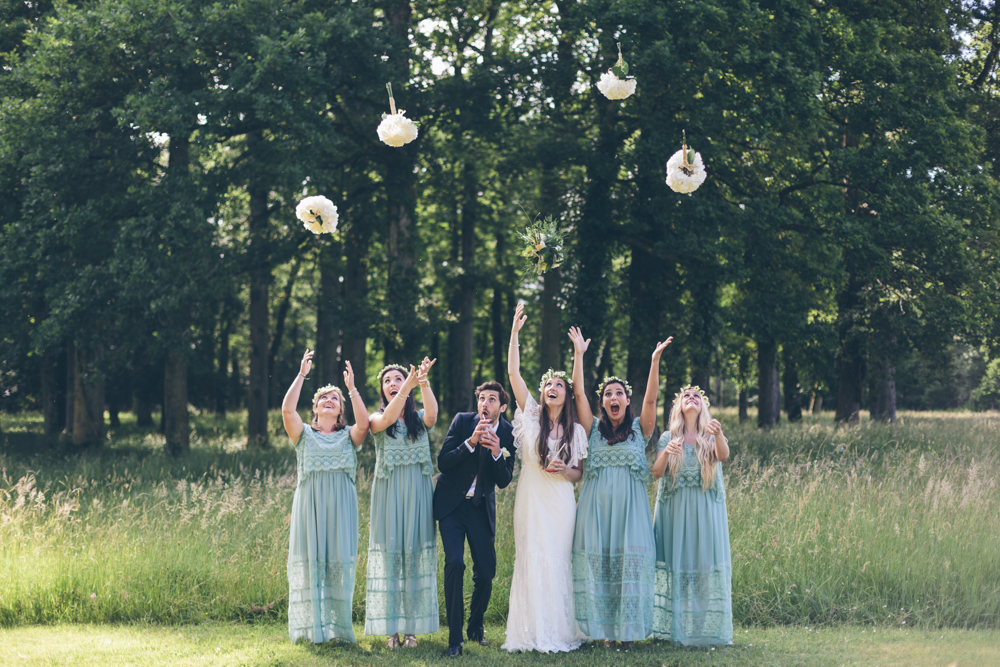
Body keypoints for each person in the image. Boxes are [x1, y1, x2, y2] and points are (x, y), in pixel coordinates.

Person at [568, 327, 672, 646]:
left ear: (628, 401)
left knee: (629, 565)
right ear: (604, 402)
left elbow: (652, 397)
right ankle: (604, 634)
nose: (614, 398)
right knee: (602, 567)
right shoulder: (593, 431)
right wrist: (579, 355)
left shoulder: (641, 430)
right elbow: (578, 393)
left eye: (619, 393)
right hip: (596, 511)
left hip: (632, 512)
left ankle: (628, 633)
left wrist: (655, 361)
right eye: (608, 394)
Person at [502, 302, 588, 653]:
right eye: (548, 383)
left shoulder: (575, 430)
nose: (553, 386)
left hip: (560, 503)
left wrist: (565, 469)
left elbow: (579, 474)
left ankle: (558, 631)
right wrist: (514, 335)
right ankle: (528, 633)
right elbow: (513, 375)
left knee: (555, 560)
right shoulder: (532, 415)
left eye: (559, 384)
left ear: (566, 394)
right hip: (531, 498)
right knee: (531, 557)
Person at [282, 350, 369, 644]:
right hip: (310, 506)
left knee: (337, 565)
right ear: (315, 408)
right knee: (310, 564)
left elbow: (365, 424)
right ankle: (310, 630)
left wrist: (352, 389)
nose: (329, 400)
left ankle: (338, 630)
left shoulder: (349, 436)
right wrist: (302, 374)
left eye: (335, 399)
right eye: (323, 398)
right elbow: (286, 411)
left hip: (342, 508)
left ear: (340, 409)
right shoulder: (302, 434)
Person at [434, 380, 517, 657]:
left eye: (492, 399)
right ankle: (455, 640)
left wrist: (496, 453)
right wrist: (470, 443)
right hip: (452, 506)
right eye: (482, 398)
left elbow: (505, 480)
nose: (485, 403)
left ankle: (475, 627)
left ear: (502, 407)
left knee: (487, 572)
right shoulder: (461, 421)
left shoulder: (508, 433)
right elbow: (443, 462)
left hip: (481, 508)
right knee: (455, 563)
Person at [364, 358, 440, 648]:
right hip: (389, 494)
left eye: (398, 378)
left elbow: (433, 415)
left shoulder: (419, 420)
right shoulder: (376, 418)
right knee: (392, 557)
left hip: (418, 493)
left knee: (414, 557)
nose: (393, 383)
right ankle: (390, 629)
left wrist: (422, 381)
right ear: (382, 390)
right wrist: (408, 386)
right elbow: (387, 419)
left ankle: (412, 629)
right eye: (388, 381)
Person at [651, 385, 732, 646]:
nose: (692, 398)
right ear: (679, 406)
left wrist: (718, 435)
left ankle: (698, 629)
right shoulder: (667, 437)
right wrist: (668, 453)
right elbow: (656, 472)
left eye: (697, 396)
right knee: (678, 568)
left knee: (702, 568)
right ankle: (677, 629)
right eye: (686, 395)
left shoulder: (710, 435)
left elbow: (724, 455)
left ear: (702, 406)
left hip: (704, 510)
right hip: (675, 510)